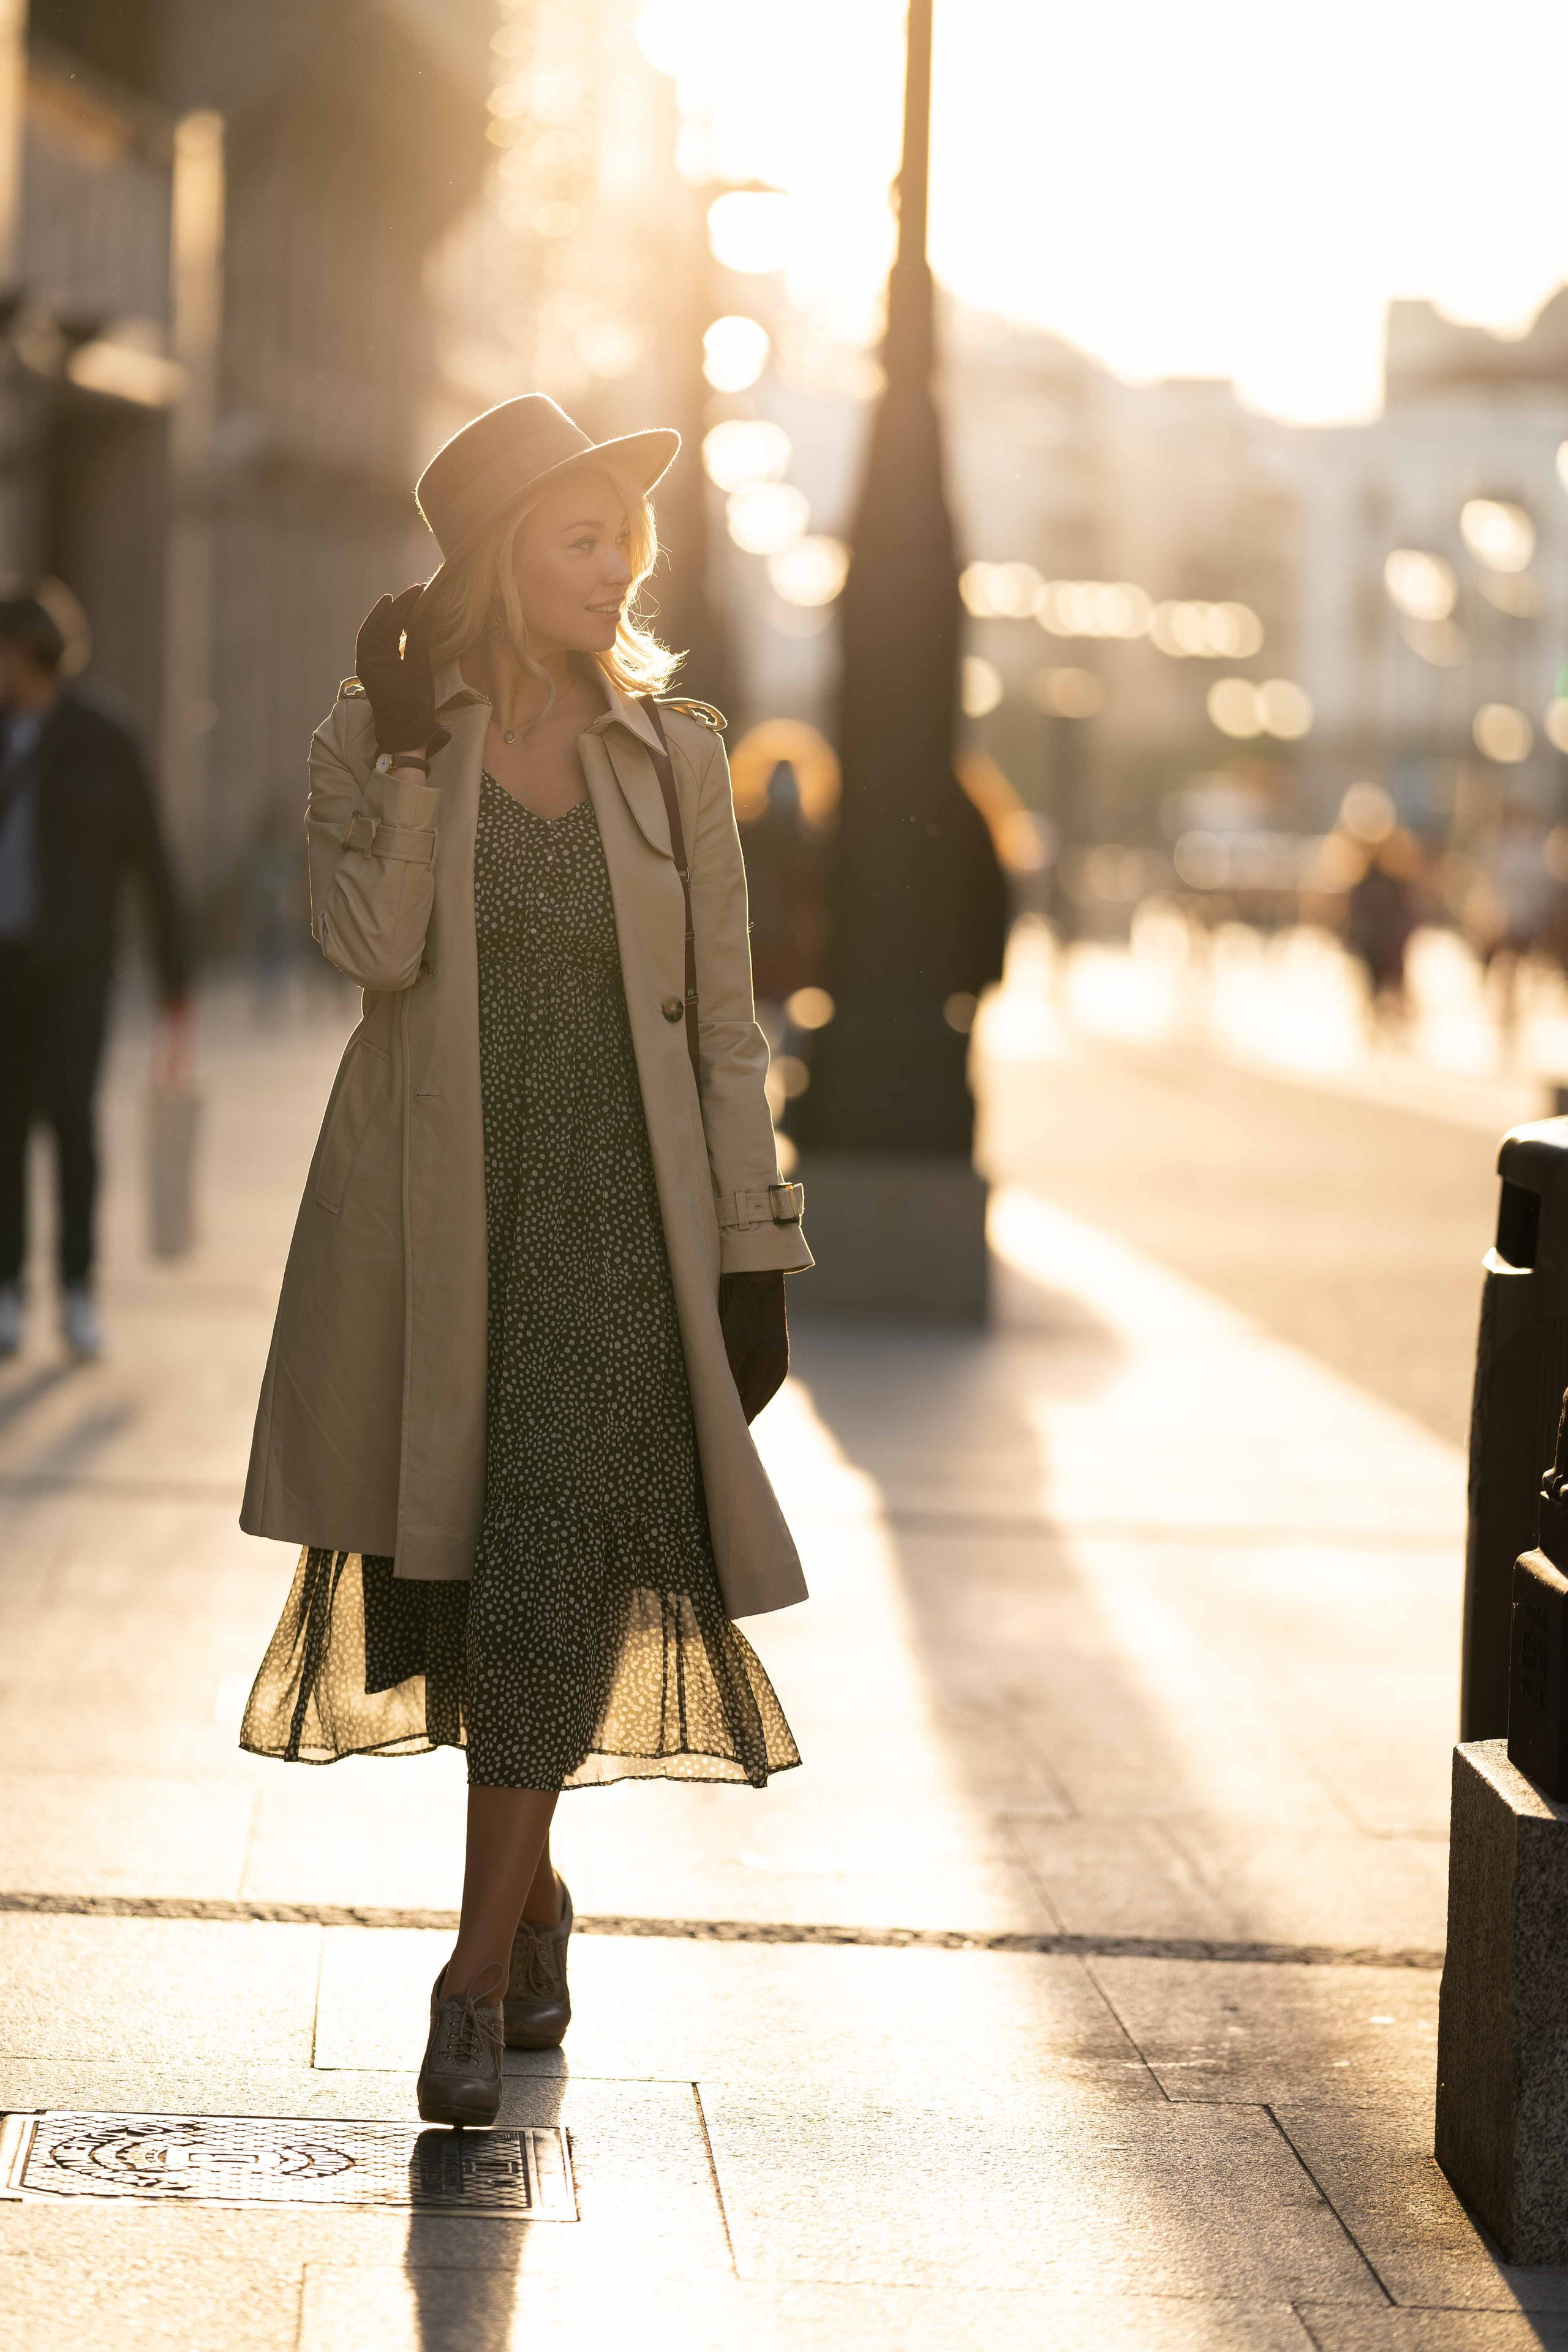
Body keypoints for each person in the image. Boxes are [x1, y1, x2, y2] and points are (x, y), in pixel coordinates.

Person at [238, 395, 812, 2127]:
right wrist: (416, 761)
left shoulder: (677, 753)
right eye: (579, 534)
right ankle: (536, 1894)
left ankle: (473, 1977)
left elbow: (728, 1023)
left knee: (556, 1565)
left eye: (623, 536)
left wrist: (754, 1246)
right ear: (499, 556)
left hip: (620, 1233)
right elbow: (371, 946)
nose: (616, 562)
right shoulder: (374, 731)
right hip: (441, 1223)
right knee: (470, 1592)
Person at [0, 592, 190, 1360]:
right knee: (4, 1127)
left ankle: (77, 1289)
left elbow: (151, 854)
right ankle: (7, 1288)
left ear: (25, 650)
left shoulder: (104, 736)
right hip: (4, 964)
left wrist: (177, 980)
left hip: (77, 965)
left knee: (71, 1119)